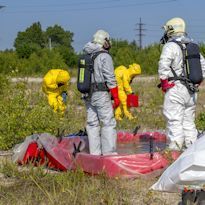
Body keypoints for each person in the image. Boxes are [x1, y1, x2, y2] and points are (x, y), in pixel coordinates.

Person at [158, 17, 205, 150]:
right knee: (189, 123)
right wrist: (197, 84)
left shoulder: (170, 46)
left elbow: (163, 65)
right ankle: (191, 154)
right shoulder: (193, 46)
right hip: (191, 90)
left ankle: (174, 154)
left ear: (171, 30)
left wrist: (164, 83)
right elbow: (203, 67)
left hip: (175, 89)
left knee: (175, 122)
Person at [83, 29, 120, 155]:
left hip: (87, 94)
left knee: (92, 124)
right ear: (104, 41)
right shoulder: (104, 56)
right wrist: (116, 97)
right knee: (108, 123)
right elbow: (110, 78)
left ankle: (95, 154)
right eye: (108, 41)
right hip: (101, 94)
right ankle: (109, 155)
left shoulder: (87, 55)